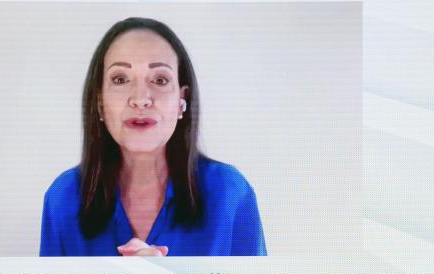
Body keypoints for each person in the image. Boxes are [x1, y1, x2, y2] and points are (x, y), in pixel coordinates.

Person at [40, 17, 266, 256]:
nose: (140, 99)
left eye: (160, 80)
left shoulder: (231, 193)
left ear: (182, 100)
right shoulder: (62, 197)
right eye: (120, 79)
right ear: (99, 103)